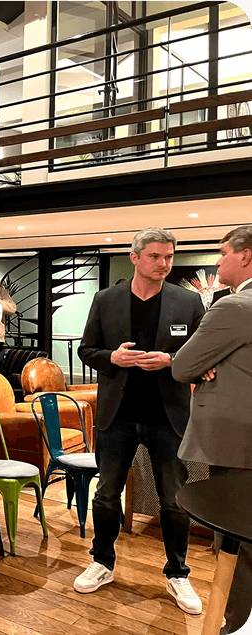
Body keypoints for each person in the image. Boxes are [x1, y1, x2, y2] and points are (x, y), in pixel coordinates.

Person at [76, 227, 205, 615]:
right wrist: (112, 358)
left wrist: (171, 360)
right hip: (117, 416)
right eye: (155, 256)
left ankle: (177, 573)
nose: (164, 263)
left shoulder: (188, 302)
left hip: (168, 416)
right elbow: (87, 350)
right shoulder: (106, 299)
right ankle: (102, 562)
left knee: (174, 501)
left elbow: (201, 354)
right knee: (106, 494)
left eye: (169, 256)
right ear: (134, 258)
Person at [172, 224, 252, 634]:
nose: (217, 262)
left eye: (223, 253)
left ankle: (237, 626)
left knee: (238, 543)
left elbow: (183, 365)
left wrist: (204, 362)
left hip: (238, 442)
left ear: (246, 255)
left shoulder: (234, 306)